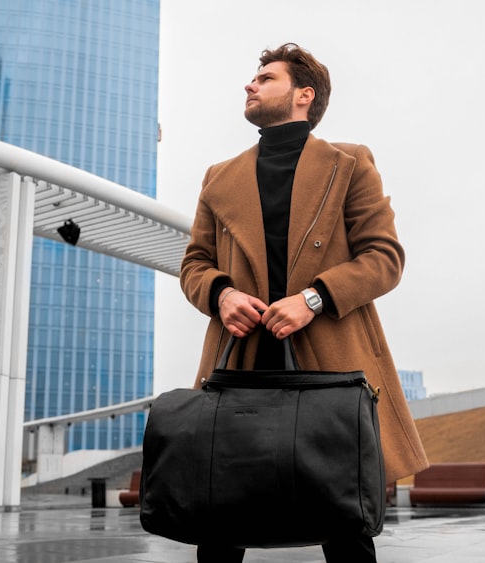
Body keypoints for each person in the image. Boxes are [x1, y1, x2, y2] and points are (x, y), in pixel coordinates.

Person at [179, 43, 429, 562]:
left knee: (344, 525)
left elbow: (385, 258)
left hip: (328, 367)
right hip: (241, 363)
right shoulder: (218, 177)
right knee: (220, 523)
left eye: (265, 78)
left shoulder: (350, 163)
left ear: (303, 95)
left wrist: (313, 299)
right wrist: (222, 295)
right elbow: (194, 264)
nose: (250, 84)